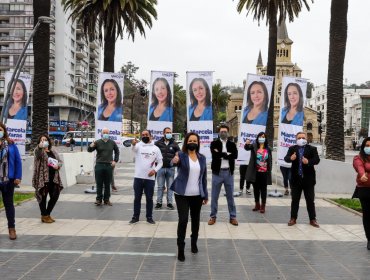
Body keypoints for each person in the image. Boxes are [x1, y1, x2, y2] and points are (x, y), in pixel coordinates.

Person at [170, 132, 208, 262]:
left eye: (195, 141)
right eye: (190, 140)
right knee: (183, 220)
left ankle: (194, 243)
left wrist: (205, 195)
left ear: (198, 143)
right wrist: (174, 161)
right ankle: (181, 248)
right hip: (181, 194)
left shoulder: (202, 158)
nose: (193, 143)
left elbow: (204, 178)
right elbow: (173, 162)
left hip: (197, 195)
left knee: (196, 220)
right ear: (186, 142)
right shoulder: (181, 155)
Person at [284, 131, 320, 227]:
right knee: (295, 200)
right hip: (296, 179)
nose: (301, 139)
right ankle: (293, 218)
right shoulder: (292, 149)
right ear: (296, 139)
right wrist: (290, 158)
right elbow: (286, 158)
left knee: (310, 200)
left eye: (303, 138)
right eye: (299, 138)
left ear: (306, 139)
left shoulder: (312, 149)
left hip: (308, 180)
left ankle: (313, 219)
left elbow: (317, 160)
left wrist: (308, 161)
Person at [129, 130, 163, 224]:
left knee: (149, 198)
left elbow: (160, 162)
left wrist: (155, 170)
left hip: (150, 179)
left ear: (150, 136)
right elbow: (133, 149)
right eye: (143, 135)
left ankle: (149, 217)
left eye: (146, 135)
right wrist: (133, 144)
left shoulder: (155, 148)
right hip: (138, 177)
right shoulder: (138, 146)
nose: (144, 136)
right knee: (137, 198)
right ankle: (135, 217)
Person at [208, 125, 238, 226]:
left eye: (225, 131)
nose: (223, 133)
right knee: (214, 196)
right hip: (217, 173)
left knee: (230, 197)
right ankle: (213, 217)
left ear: (228, 132)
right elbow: (215, 155)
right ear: (218, 132)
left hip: (229, 173)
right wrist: (227, 154)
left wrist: (222, 154)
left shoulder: (232, 144)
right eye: (221, 131)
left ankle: (233, 217)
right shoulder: (214, 143)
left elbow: (235, 155)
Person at [32, 134, 63, 224]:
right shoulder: (38, 150)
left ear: (48, 141)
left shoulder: (53, 150)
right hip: (42, 178)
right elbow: (37, 154)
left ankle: (47, 214)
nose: (44, 141)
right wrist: (40, 146)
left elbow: (60, 161)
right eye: (42, 140)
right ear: (39, 142)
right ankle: (44, 215)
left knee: (55, 195)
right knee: (43, 196)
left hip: (54, 177)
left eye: (45, 139)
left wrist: (58, 166)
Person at [0, 122, 22, 240]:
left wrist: (18, 176)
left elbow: (18, 161)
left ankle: (11, 229)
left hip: (9, 180)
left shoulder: (11, 145)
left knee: (9, 205)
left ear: (4, 131)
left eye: (0, 129)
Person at [88, 128, 119, 206]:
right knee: (99, 183)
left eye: (107, 132)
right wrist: (92, 144)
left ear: (109, 134)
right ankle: (98, 199)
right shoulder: (98, 142)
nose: (105, 134)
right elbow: (89, 150)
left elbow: (117, 151)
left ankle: (106, 200)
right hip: (99, 165)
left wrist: (115, 160)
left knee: (107, 184)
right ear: (101, 133)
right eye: (104, 132)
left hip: (109, 165)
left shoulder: (112, 142)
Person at [244, 132, 272, 213]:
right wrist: (247, 143)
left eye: (263, 136)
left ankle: (263, 206)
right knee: (256, 189)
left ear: (265, 138)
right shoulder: (254, 146)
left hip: (264, 172)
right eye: (260, 136)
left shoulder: (268, 148)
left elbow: (270, 160)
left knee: (263, 189)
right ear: (257, 138)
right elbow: (247, 148)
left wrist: (269, 170)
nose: (261, 138)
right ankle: (257, 204)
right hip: (255, 172)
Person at [154, 127, 180, 210]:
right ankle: (159, 202)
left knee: (170, 187)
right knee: (160, 187)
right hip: (160, 168)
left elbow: (179, 153)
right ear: (163, 133)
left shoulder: (174, 143)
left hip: (170, 168)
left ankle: (169, 203)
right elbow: (153, 153)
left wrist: (177, 155)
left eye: (170, 132)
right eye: (167, 132)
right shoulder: (158, 143)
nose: (169, 134)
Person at [353, 137, 370, 250]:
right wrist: (362, 174)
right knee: (368, 215)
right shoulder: (358, 158)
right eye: (367, 145)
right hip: (365, 190)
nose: (369, 147)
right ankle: (369, 238)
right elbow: (359, 167)